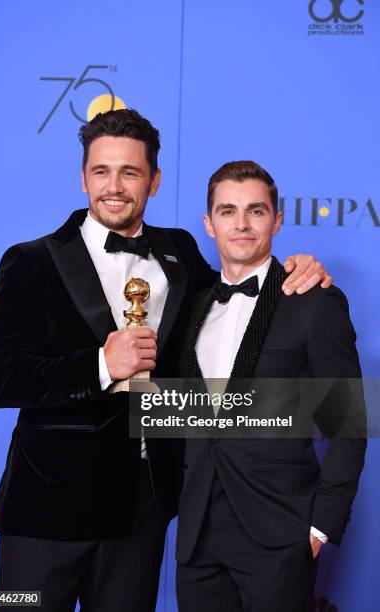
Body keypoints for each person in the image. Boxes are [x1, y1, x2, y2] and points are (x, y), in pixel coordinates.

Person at [0, 110, 331, 612]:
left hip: (141, 511)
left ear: (155, 180)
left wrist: (291, 269)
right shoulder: (30, 260)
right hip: (44, 510)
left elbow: (237, 295)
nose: (114, 186)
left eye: (130, 172)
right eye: (101, 171)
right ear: (83, 179)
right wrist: (101, 364)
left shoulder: (179, 251)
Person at [176, 160, 366, 612]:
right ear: (208, 223)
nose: (241, 224)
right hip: (197, 537)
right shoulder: (192, 305)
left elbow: (349, 421)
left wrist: (321, 527)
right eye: (227, 211)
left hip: (279, 532)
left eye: (256, 211)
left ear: (277, 220)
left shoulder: (313, 303)